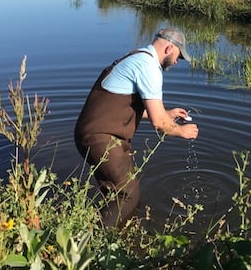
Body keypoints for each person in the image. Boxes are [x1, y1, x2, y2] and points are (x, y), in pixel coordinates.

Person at [74, 27, 199, 227]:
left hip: (95, 135)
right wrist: (182, 130)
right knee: (128, 195)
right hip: (101, 137)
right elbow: (159, 123)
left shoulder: (138, 57)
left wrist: (167, 114)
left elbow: (129, 107)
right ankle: (90, 237)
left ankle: (114, 235)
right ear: (169, 48)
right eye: (179, 56)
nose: (177, 61)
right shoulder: (148, 66)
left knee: (116, 193)